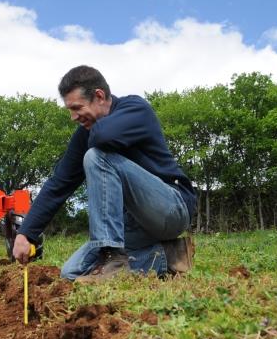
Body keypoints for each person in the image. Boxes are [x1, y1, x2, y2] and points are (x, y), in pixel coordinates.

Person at [11, 65, 196, 282]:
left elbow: (103, 135)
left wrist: (85, 138)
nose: (73, 117)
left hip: (171, 208)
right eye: (69, 110)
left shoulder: (135, 109)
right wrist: (26, 233)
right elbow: (58, 184)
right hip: (132, 225)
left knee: (96, 157)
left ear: (99, 95)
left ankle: (113, 257)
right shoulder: (88, 133)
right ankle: (168, 256)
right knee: (71, 273)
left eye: (77, 107)